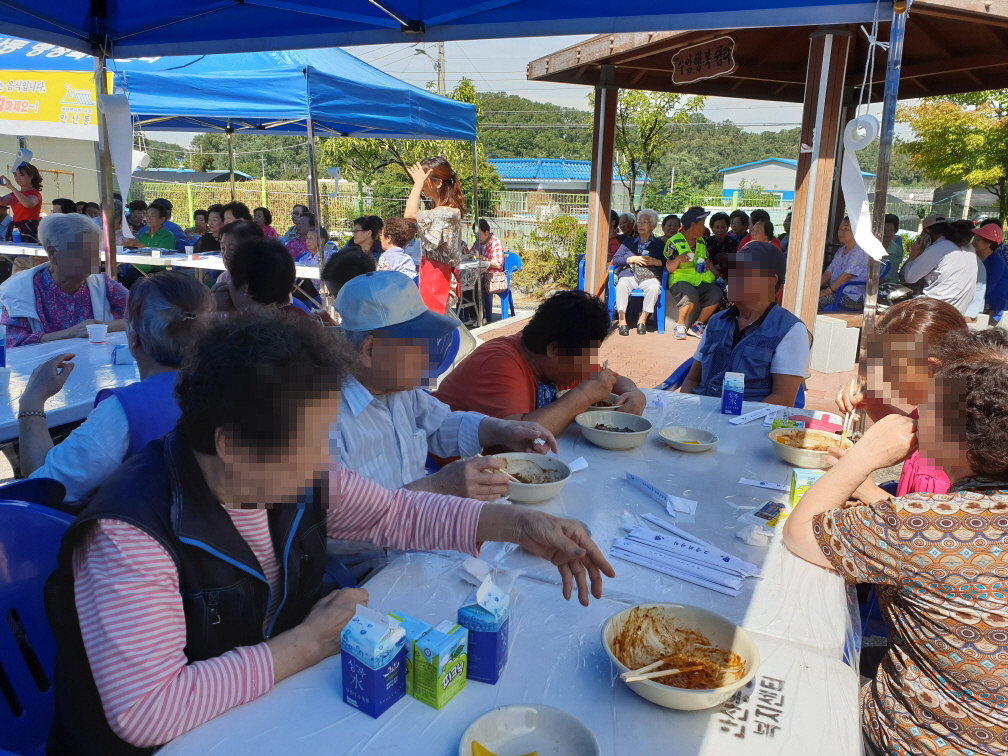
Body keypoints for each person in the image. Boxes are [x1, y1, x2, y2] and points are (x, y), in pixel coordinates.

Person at [44, 308, 615, 754]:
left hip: (259, 712)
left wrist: (517, 523)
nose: (324, 459)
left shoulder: (287, 477)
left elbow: (394, 513)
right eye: (310, 442)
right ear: (233, 446)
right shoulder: (130, 537)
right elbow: (147, 710)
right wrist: (305, 644)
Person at [782, 327, 1008, 756]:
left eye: (932, 404)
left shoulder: (927, 524)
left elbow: (802, 533)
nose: (919, 411)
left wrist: (863, 456)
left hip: (915, 739)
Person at [336, 271, 558, 497]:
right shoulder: (322, 421)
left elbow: (439, 425)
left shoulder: (397, 389)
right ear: (370, 351)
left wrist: (502, 430)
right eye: (416, 345)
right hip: (383, 530)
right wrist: (437, 486)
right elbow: (340, 519)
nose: (426, 356)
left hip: (426, 517)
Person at [19, 272, 211, 503]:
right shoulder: (235, 387)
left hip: (149, 534)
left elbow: (43, 488)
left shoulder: (126, 410)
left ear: (133, 337)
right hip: (221, 532)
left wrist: (31, 401)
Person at [435, 290, 646, 438]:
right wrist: (583, 395)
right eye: (586, 355)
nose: (589, 365)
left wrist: (635, 394)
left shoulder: (563, 359)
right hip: (450, 477)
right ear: (554, 349)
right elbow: (519, 437)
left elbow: (613, 380)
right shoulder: (500, 363)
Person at [834, 297, 968, 501]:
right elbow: (914, 433)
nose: (882, 379)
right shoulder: (940, 401)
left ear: (931, 367)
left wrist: (868, 492)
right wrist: (875, 403)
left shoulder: (960, 445)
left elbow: (931, 526)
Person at [680, 242, 807, 406]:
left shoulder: (790, 330)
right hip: (700, 414)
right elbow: (692, 378)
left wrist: (727, 422)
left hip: (746, 423)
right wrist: (686, 409)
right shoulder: (716, 321)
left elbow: (782, 399)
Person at [0, 213, 127, 348]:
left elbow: (145, 314)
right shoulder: (21, 289)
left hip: (94, 363)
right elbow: (11, 340)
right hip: (40, 367)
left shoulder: (102, 284)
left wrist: (100, 327)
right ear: (53, 253)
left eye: (94, 252)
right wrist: (68, 334)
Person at [405, 157, 467, 314]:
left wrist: (418, 184)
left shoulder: (447, 212)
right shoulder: (441, 209)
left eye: (424, 179)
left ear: (438, 183)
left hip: (439, 277)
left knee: (432, 330)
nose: (419, 183)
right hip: (433, 274)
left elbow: (410, 214)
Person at [901, 214, 978, 315]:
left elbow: (909, 278)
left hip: (936, 309)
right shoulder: (968, 247)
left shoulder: (938, 248)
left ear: (927, 233)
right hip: (959, 310)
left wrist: (914, 255)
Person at [665, 207, 722, 340]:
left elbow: (707, 260)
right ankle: (680, 325)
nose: (704, 228)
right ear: (693, 225)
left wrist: (713, 271)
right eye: (702, 224)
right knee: (689, 294)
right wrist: (679, 259)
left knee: (716, 293)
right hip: (680, 280)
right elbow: (669, 267)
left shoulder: (701, 241)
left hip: (699, 279)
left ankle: (697, 325)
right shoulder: (674, 242)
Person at [612, 208, 666, 336]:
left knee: (654, 288)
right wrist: (630, 259)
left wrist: (655, 261)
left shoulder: (659, 244)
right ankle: (622, 320)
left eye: (645, 222)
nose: (641, 225)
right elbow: (616, 259)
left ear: (653, 226)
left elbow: (665, 261)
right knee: (622, 285)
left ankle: (642, 320)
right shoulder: (629, 241)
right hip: (629, 274)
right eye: (639, 222)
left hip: (649, 275)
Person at [228, 238, 305, 315]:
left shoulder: (234, 325)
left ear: (246, 289)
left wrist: (220, 314)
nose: (227, 286)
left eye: (231, 279)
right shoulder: (305, 320)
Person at [209, 220, 265, 312]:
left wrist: (240, 304)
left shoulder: (269, 279)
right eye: (223, 248)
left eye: (232, 249)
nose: (225, 255)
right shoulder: (224, 278)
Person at [819, 217, 870, 311]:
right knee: (808, 297)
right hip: (836, 291)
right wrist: (814, 288)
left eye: (846, 229)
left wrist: (826, 291)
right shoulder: (841, 250)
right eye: (840, 229)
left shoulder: (861, 251)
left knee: (816, 301)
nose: (841, 232)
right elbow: (829, 273)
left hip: (852, 297)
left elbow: (847, 275)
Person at [470, 218, 504, 319]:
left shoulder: (496, 243)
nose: (477, 237)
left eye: (478, 235)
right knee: (465, 285)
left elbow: (498, 264)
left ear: (486, 232)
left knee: (475, 284)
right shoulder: (478, 243)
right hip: (479, 274)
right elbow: (471, 254)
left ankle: (481, 316)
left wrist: (485, 260)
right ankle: (474, 316)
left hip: (492, 276)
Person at [0, 161, 42, 242]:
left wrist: (11, 187)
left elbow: (28, 204)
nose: (17, 178)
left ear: (30, 176)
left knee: (29, 251)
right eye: (15, 175)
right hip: (16, 227)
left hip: (30, 227)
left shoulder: (35, 193)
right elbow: (2, 201)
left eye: (21, 175)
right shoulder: (14, 194)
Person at [972, 222, 1008, 316]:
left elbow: (986, 289)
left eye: (977, 239)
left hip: (994, 304)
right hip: (980, 299)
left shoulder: (996, 262)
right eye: (974, 238)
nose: (973, 241)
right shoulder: (976, 257)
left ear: (989, 243)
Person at [880, 213, 903, 284]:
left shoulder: (897, 249)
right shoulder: (870, 246)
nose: (887, 233)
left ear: (894, 231)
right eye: (884, 230)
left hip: (888, 285)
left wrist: (877, 282)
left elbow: (892, 272)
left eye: (890, 230)